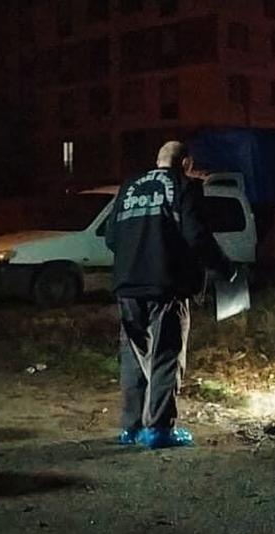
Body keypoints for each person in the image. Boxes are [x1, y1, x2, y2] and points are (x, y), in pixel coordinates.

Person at [105, 141, 234, 449]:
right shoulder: (184, 187)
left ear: (158, 159)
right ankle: (159, 430)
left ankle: (132, 428)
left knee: (134, 358)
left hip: (127, 285)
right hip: (165, 285)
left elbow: (111, 237)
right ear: (186, 163)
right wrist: (224, 268)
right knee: (166, 356)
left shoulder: (130, 187)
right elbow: (197, 236)